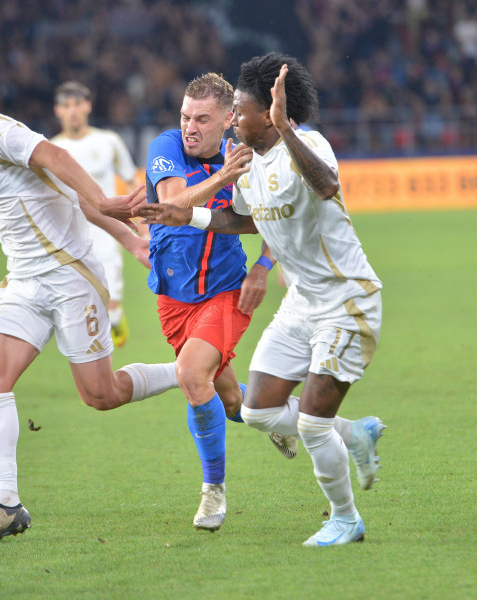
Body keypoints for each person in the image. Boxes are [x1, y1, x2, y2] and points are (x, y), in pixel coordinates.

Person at [0, 51, 179, 544]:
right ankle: (7, 505)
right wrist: (130, 239)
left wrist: (105, 202)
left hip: (70, 279)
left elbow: (56, 159)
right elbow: (63, 193)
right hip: (25, 283)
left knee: (102, 395)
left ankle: (187, 372)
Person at [137, 53, 386, 547]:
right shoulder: (245, 162)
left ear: (269, 116)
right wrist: (188, 218)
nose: (234, 122)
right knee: (256, 411)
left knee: (312, 425)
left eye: (241, 113)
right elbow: (248, 220)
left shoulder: (308, 144)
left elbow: (328, 185)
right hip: (300, 305)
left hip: (346, 301)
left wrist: (285, 131)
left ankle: (345, 518)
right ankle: (355, 433)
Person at [143, 72, 277, 532]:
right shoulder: (166, 147)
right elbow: (171, 204)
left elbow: (281, 221)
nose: (189, 127)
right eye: (185, 116)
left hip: (225, 292)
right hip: (174, 299)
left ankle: (213, 491)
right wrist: (222, 175)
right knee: (232, 399)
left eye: (202, 119)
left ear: (229, 120)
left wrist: (264, 266)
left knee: (190, 374)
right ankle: (290, 420)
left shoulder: (252, 160)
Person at [51, 81, 141, 348]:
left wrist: (143, 221)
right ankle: (94, 358)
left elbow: (131, 180)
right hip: (70, 235)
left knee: (110, 306)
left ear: (88, 106)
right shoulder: (52, 149)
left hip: (108, 233)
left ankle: (113, 323)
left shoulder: (108, 141)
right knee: (80, 305)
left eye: (77, 104)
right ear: (58, 111)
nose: (73, 111)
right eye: (66, 106)